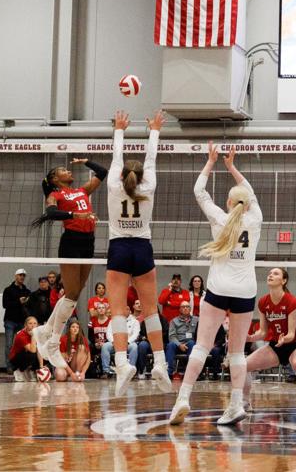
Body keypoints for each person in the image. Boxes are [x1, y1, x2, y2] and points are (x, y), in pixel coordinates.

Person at [169, 143, 262, 425]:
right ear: (247, 204)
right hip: (246, 292)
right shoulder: (255, 219)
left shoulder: (220, 218)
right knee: (236, 351)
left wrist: (211, 162)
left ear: (229, 203)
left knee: (202, 346)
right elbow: (251, 193)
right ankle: (235, 405)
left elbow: (199, 192)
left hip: (219, 290)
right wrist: (232, 167)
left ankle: (183, 397)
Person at [104, 109, 171, 396]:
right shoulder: (150, 186)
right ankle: (160, 364)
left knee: (118, 312)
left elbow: (116, 157)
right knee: (151, 310)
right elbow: (151, 159)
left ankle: (121, 363)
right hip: (142, 248)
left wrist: (119, 128)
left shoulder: (113, 185)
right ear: (141, 177)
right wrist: (154, 129)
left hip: (119, 248)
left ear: (122, 175)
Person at [28, 153, 106, 372]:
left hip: (88, 242)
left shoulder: (81, 190)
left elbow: (103, 173)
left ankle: (44, 331)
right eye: (63, 170)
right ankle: (52, 341)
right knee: (71, 294)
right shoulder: (55, 193)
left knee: (75, 293)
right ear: (54, 178)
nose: (68, 170)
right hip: (71, 242)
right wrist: (75, 215)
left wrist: (86, 162)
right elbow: (51, 212)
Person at [239, 268, 296, 417]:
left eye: (275, 274)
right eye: (269, 273)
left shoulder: (291, 301)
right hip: (275, 347)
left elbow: (291, 334)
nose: (270, 275)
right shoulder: (263, 301)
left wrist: (285, 339)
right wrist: (249, 338)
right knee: (243, 366)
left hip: (295, 345)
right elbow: (263, 332)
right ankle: (245, 402)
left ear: (283, 281)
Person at [7, 316, 51, 383]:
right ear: (25, 325)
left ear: (38, 325)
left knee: (46, 356)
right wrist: (33, 336)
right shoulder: (21, 335)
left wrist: (41, 367)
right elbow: (32, 350)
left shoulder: (38, 334)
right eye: (30, 323)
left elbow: (39, 350)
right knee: (32, 354)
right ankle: (19, 370)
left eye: (35, 323)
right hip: (15, 358)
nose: (33, 325)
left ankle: (31, 370)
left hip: (27, 355)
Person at [2, 269, 31, 359]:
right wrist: (18, 301)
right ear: (15, 276)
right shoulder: (8, 290)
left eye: (23, 275)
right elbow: (5, 304)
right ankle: (9, 366)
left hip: (22, 321)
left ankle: (19, 366)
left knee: (23, 344)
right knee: (9, 345)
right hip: (10, 320)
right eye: (20, 275)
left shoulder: (27, 291)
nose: (22, 277)